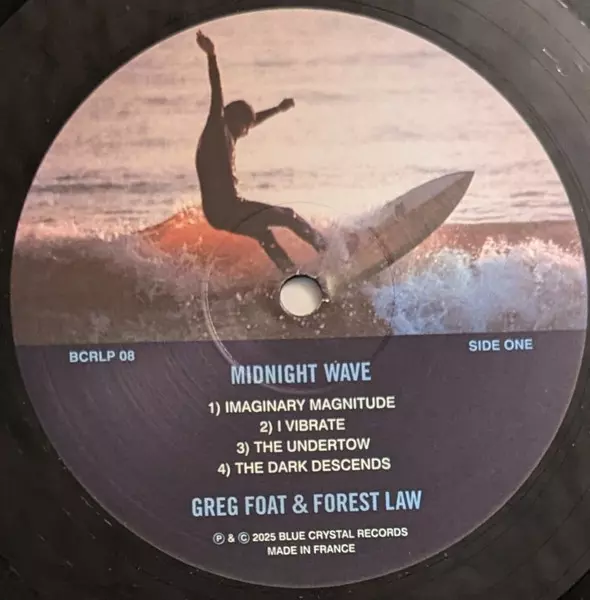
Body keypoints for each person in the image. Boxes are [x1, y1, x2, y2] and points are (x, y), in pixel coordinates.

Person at [195, 30, 328, 274]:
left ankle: (290, 273)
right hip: (229, 208)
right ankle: (325, 248)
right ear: (235, 120)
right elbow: (217, 94)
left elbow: (253, 120)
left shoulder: (226, 133)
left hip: (219, 212)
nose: (247, 132)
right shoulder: (217, 128)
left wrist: (278, 109)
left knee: (263, 233)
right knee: (288, 215)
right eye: (245, 127)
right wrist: (211, 56)